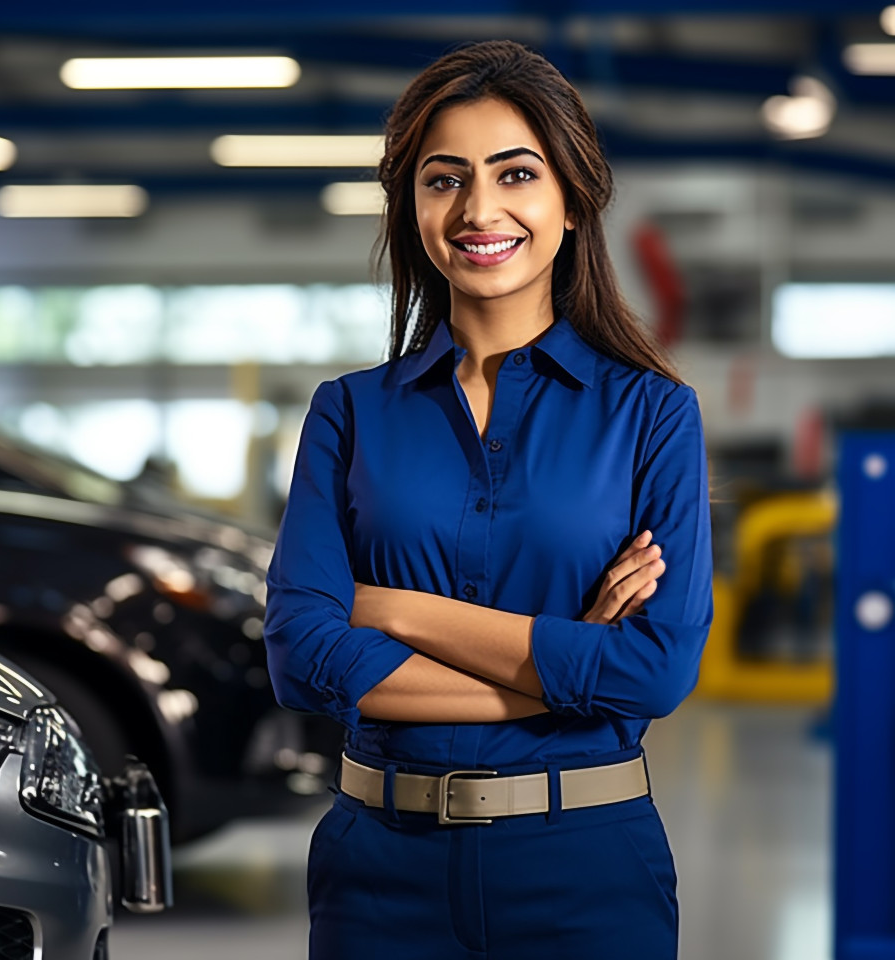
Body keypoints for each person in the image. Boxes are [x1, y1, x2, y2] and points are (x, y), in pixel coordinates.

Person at [264, 38, 713, 960]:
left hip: (586, 869)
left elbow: (655, 672)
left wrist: (387, 607)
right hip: (378, 874)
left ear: (572, 202)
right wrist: (562, 673)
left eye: (516, 173)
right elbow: (299, 655)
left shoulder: (653, 413)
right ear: (411, 208)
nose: (479, 210)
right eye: (443, 180)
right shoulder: (347, 413)